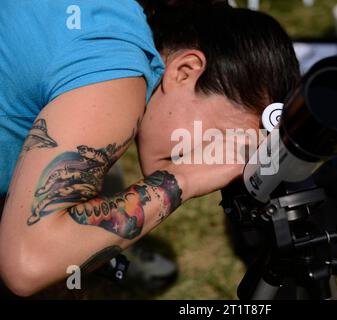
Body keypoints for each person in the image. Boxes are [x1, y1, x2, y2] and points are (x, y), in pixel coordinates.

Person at [0, 0, 301, 296]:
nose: (216, 162)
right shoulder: (116, 72)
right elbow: (28, 263)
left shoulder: (111, 20)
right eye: (220, 140)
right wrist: (183, 177)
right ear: (185, 71)